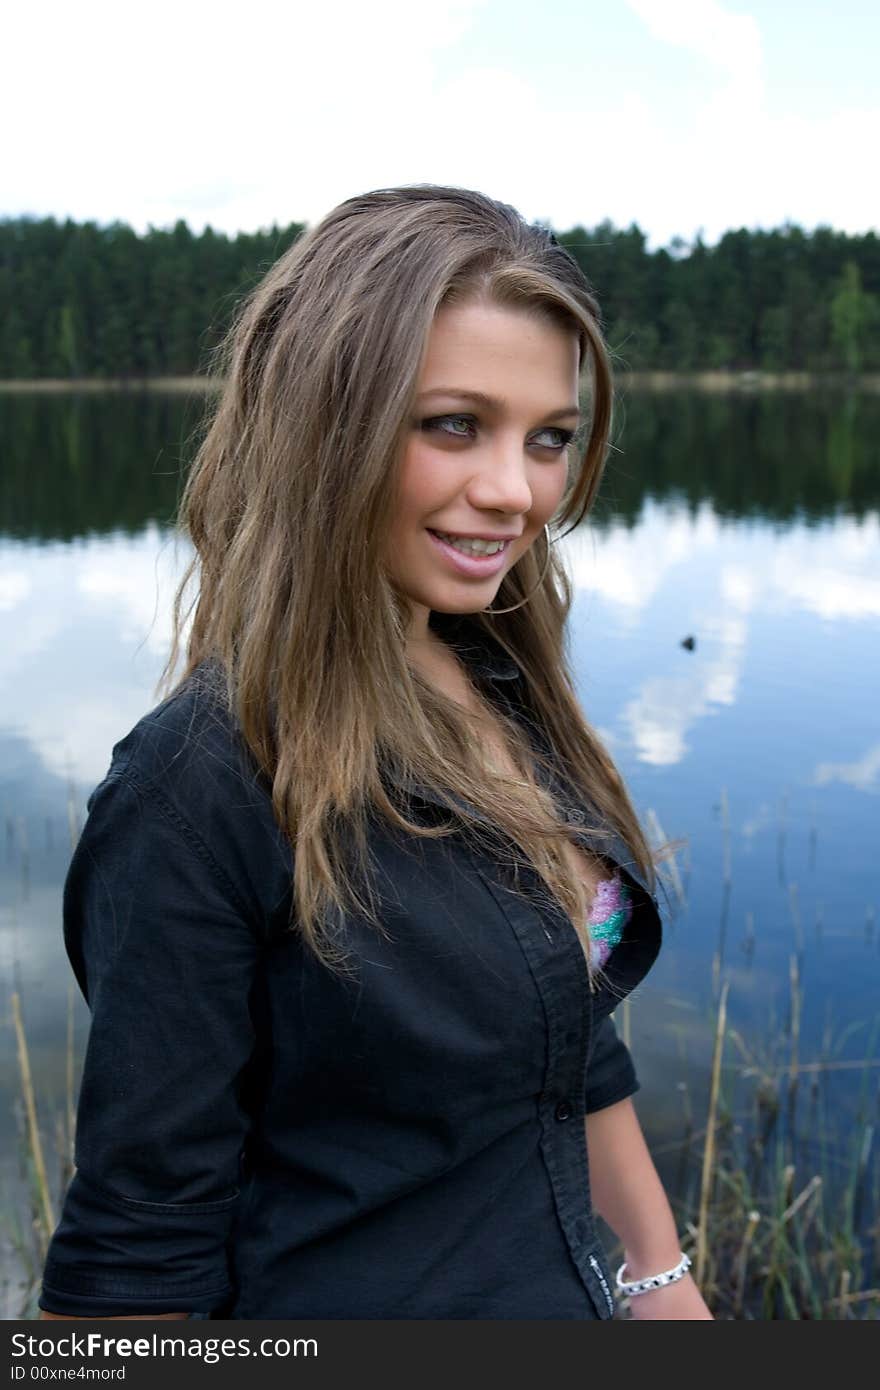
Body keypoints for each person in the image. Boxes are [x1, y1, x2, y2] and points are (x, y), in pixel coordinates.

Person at [39, 184, 712, 1321]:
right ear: (324, 424)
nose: (515, 491)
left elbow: (568, 1032)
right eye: (453, 423)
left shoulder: (500, 683)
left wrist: (663, 1284)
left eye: (548, 438)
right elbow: (134, 1258)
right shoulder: (196, 791)